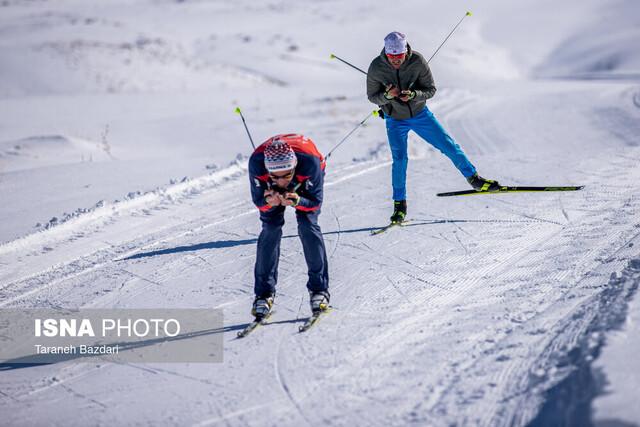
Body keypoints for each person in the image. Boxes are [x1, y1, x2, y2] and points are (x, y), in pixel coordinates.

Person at [367, 31, 500, 223]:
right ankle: (400, 206)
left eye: (399, 56)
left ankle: (475, 180)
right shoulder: (376, 67)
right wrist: (387, 96)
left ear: (406, 51)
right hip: (395, 119)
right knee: (400, 160)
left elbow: (430, 90)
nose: (396, 60)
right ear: (386, 53)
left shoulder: (418, 62)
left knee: (448, 145)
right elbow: (372, 96)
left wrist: (413, 94)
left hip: (420, 115)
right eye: (391, 57)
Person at [247, 133, 330, 319]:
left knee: (308, 224)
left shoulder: (310, 163)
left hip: (304, 173)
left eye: (286, 175)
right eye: (276, 177)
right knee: (270, 227)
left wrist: (298, 200)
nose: (283, 181)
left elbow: (315, 203)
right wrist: (269, 201)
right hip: (278, 170)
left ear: (293, 167)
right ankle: (264, 294)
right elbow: (258, 202)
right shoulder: (256, 163)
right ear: (268, 171)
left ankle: (319, 289)